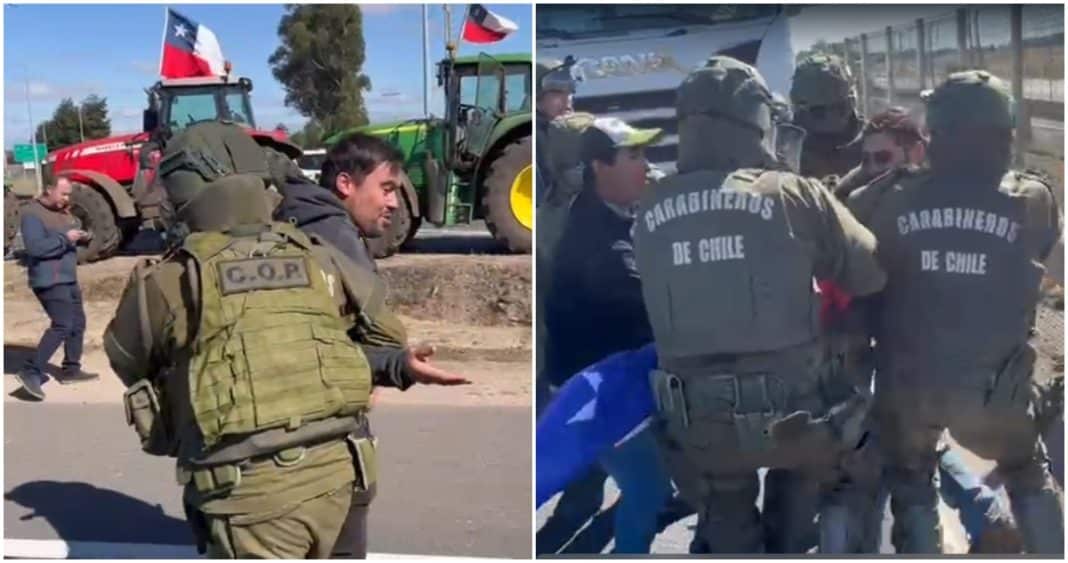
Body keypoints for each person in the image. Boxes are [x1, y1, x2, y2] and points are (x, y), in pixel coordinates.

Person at [103, 122, 467, 558]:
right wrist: (395, 366)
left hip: (251, 499)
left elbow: (126, 358)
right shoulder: (317, 254)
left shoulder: (169, 279)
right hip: (343, 476)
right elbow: (381, 333)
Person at [631, 56, 886, 554]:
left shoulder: (650, 205)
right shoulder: (794, 194)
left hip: (699, 422)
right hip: (800, 415)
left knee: (726, 507)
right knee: (825, 467)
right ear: (757, 121)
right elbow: (869, 272)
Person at [847, 70, 1063, 554]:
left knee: (912, 480)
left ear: (935, 134)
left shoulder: (889, 198)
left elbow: (851, 246)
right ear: (1006, 134)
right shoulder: (1032, 199)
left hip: (910, 385)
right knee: (1028, 472)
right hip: (997, 389)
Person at [273, 132, 434, 558]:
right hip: (326, 427)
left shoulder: (294, 219)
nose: (394, 203)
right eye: (386, 189)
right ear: (346, 184)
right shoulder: (332, 232)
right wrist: (393, 365)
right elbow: (373, 330)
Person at [539, 116, 673, 554]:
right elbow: (653, 313)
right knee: (651, 490)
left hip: (591, 384)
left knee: (584, 498)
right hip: (598, 395)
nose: (647, 167)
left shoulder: (605, 216)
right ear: (599, 166)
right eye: (634, 156)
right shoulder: (604, 246)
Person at [16, 177, 99, 400]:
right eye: (63, 194)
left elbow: (72, 235)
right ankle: (31, 371)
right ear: (49, 190)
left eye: (69, 194)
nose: (67, 198)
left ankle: (71, 369)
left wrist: (83, 236)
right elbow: (35, 248)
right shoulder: (32, 214)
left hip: (67, 276)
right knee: (62, 324)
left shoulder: (64, 212)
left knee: (77, 323)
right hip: (48, 280)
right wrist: (65, 239)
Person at [791, 53, 865, 180]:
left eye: (840, 108)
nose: (831, 117)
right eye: (818, 111)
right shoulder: (790, 145)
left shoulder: (873, 140)